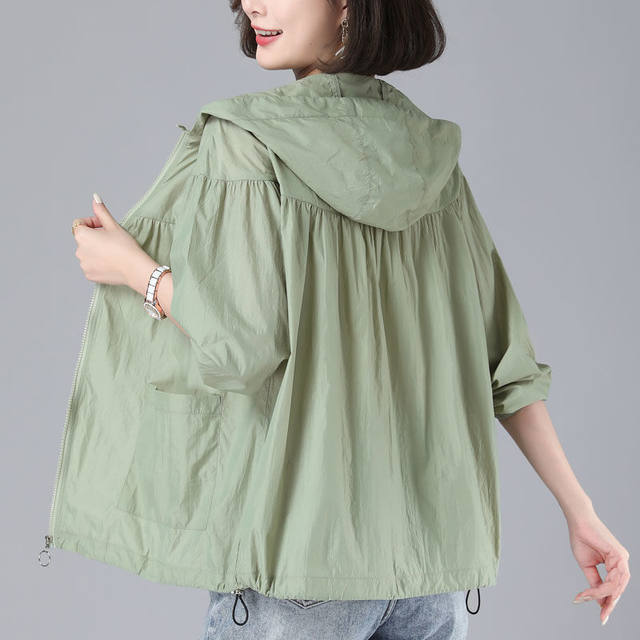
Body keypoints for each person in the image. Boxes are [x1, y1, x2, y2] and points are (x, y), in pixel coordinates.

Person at [56, 1, 630, 638]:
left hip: (301, 564)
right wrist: (581, 512)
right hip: (432, 573)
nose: (254, 3)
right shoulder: (431, 156)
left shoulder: (246, 140)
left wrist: (137, 271)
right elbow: (507, 364)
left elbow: (242, 345)